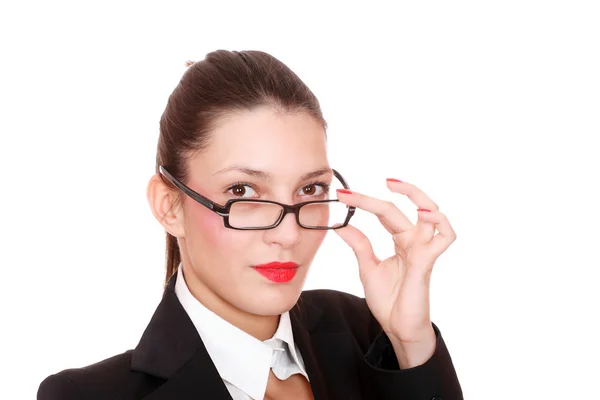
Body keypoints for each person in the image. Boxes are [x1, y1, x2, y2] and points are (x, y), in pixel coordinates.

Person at [37, 50, 463, 399]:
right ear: (170, 206)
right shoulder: (86, 396)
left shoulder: (366, 333)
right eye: (242, 192)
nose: (289, 234)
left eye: (311, 189)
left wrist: (411, 346)